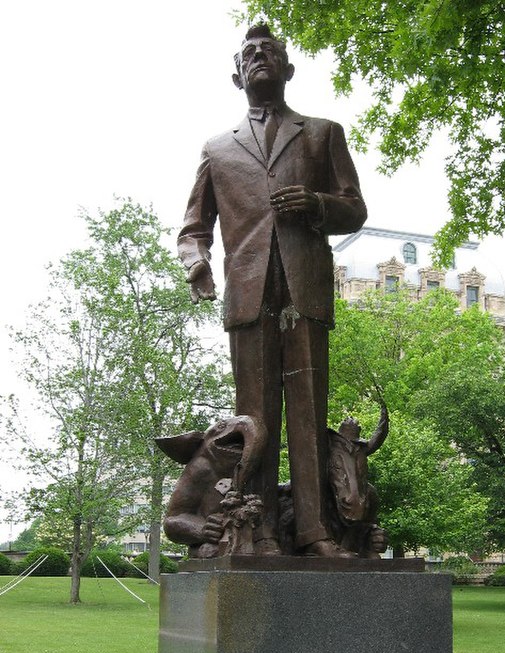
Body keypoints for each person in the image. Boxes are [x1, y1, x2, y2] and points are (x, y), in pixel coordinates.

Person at [177, 24, 367, 557]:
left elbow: (356, 208)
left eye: (271, 51)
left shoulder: (322, 133)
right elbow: (193, 227)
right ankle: (257, 531)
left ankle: (313, 530)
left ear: (287, 69)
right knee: (253, 420)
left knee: (307, 412)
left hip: (304, 289)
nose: (260, 56)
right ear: (237, 75)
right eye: (249, 53)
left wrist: (318, 204)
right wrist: (198, 265)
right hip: (248, 293)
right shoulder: (217, 149)